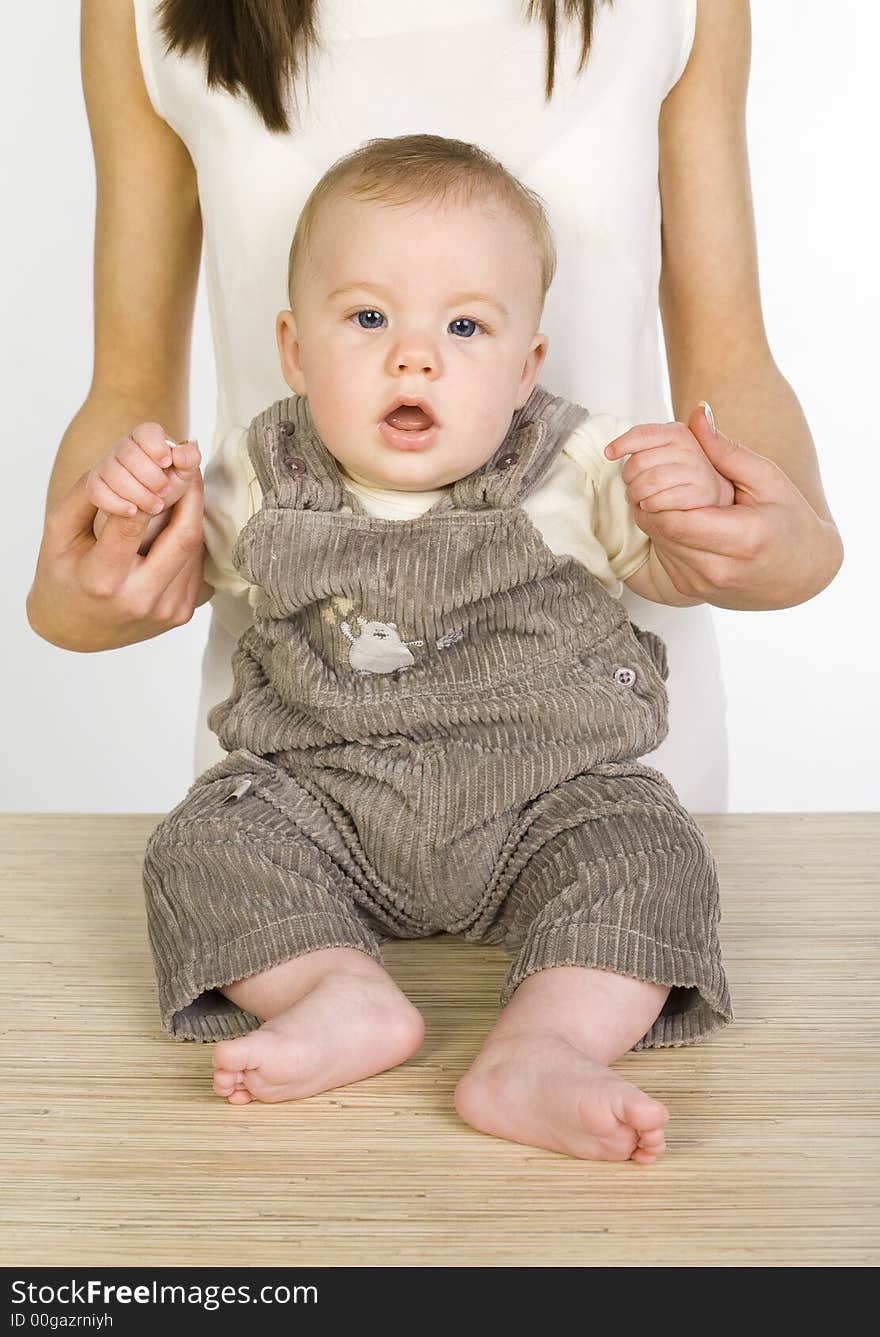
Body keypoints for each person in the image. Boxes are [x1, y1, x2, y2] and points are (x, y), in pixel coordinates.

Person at [26, 0, 842, 820]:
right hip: (294, 788)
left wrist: (795, 546)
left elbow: (730, 359)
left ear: (532, 368)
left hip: (611, 780)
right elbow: (129, 388)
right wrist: (85, 580)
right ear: (293, 347)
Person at [89, 134, 738, 1163]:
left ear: (527, 366)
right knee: (202, 839)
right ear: (296, 349)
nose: (415, 354)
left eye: (466, 325)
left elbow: (680, 563)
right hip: (321, 804)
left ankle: (543, 1045)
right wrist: (127, 511)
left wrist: (689, 499)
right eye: (368, 316)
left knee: (652, 853)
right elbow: (142, 572)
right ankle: (335, 989)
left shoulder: (575, 462)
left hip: (552, 801)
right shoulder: (261, 474)